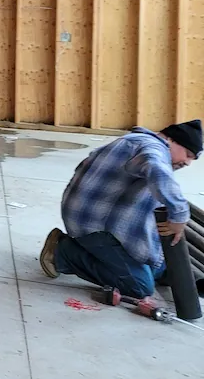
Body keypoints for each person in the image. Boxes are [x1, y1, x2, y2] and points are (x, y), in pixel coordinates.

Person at [40, 119, 199, 300]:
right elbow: (156, 168)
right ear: (171, 140)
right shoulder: (153, 149)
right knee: (140, 286)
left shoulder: (135, 141)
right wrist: (179, 214)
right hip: (94, 226)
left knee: (156, 266)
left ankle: (84, 250)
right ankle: (64, 252)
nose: (187, 162)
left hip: (92, 215)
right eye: (187, 154)